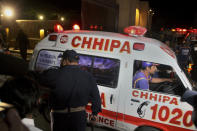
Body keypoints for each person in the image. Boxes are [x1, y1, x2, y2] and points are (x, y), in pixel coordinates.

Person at [38, 49, 101, 131]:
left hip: (60, 117)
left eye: (62, 60)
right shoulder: (88, 76)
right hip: (79, 117)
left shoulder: (54, 74)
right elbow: (96, 97)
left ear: (66, 60)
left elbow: (40, 80)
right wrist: (94, 114)